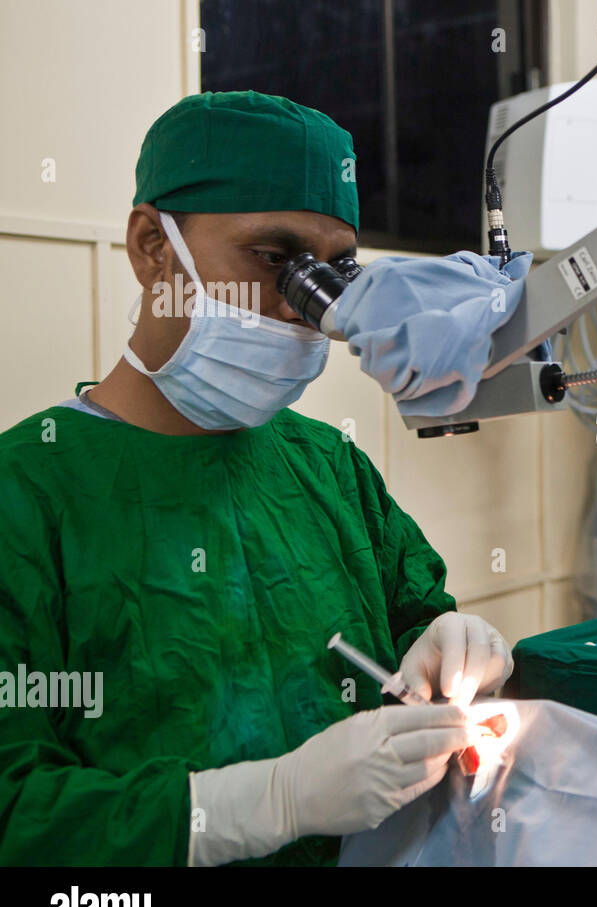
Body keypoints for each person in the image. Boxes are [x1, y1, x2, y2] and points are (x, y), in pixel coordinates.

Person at [0, 91, 516, 865]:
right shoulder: (26, 496)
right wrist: (255, 805)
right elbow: (15, 813)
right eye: (274, 260)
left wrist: (449, 653)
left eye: (336, 271)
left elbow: (414, 621)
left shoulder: (329, 465)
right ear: (151, 247)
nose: (303, 304)